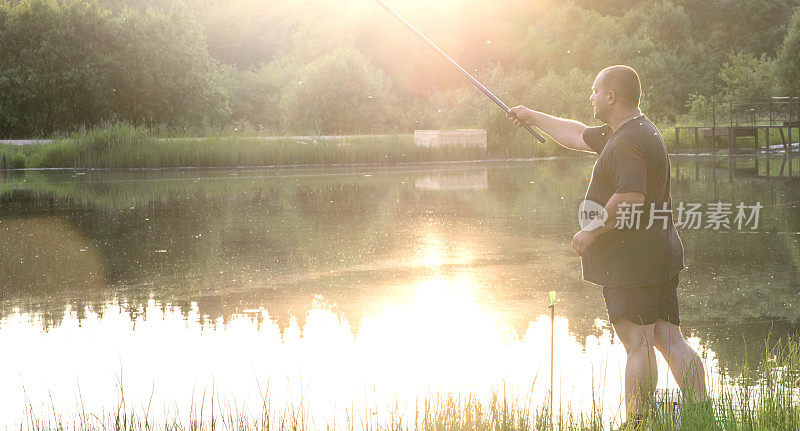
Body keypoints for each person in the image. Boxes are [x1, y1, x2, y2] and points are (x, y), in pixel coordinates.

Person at [507, 65, 707, 427]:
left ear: (612, 96)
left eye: (595, 91)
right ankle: (704, 416)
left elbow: (630, 197)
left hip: (634, 263)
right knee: (668, 339)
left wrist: (590, 233)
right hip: (657, 255)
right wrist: (530, 115)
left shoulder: (628, 141)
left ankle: (639, 422)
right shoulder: (634, 131)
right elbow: (576, 134)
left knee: (638, 344)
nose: (591, 96)